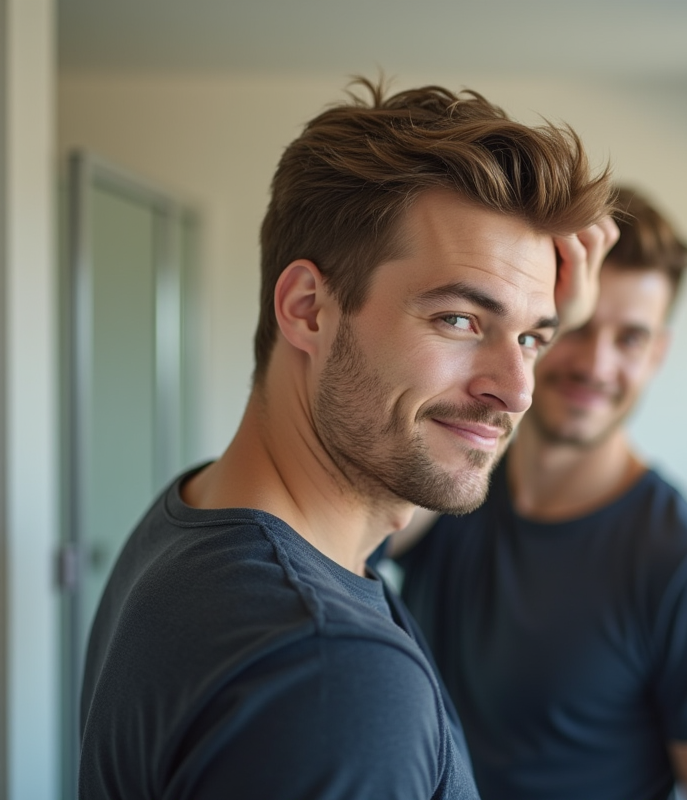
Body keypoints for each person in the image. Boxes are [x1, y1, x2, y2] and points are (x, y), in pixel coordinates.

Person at [78, 79, 617, 800]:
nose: (519, 389)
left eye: (529, 339)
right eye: (459, 319)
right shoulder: (333, 679)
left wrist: (546, 329)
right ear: (308, 310)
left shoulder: (200, 514)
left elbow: (439, 444)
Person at [396, 186, 687, 800]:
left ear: (657, 354)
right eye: (574, 327)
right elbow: (356, 530)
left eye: (629, 338)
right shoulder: (456, 489)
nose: (596, 365)